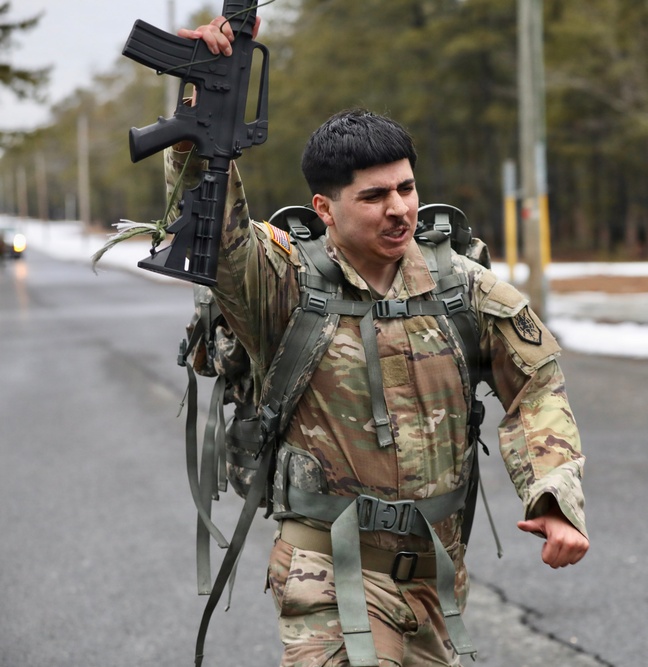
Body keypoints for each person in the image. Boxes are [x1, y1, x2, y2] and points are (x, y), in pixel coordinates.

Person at [170, 15, 589, 667]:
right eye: (374, 196)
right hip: (327, 570)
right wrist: (208, 98)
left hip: (437, 579)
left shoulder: (461, 288)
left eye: (406, 187)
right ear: (326, 207)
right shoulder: (282, 283)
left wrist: (553, 495)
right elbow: (218, 230)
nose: (399, 208)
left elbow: (536, 386)